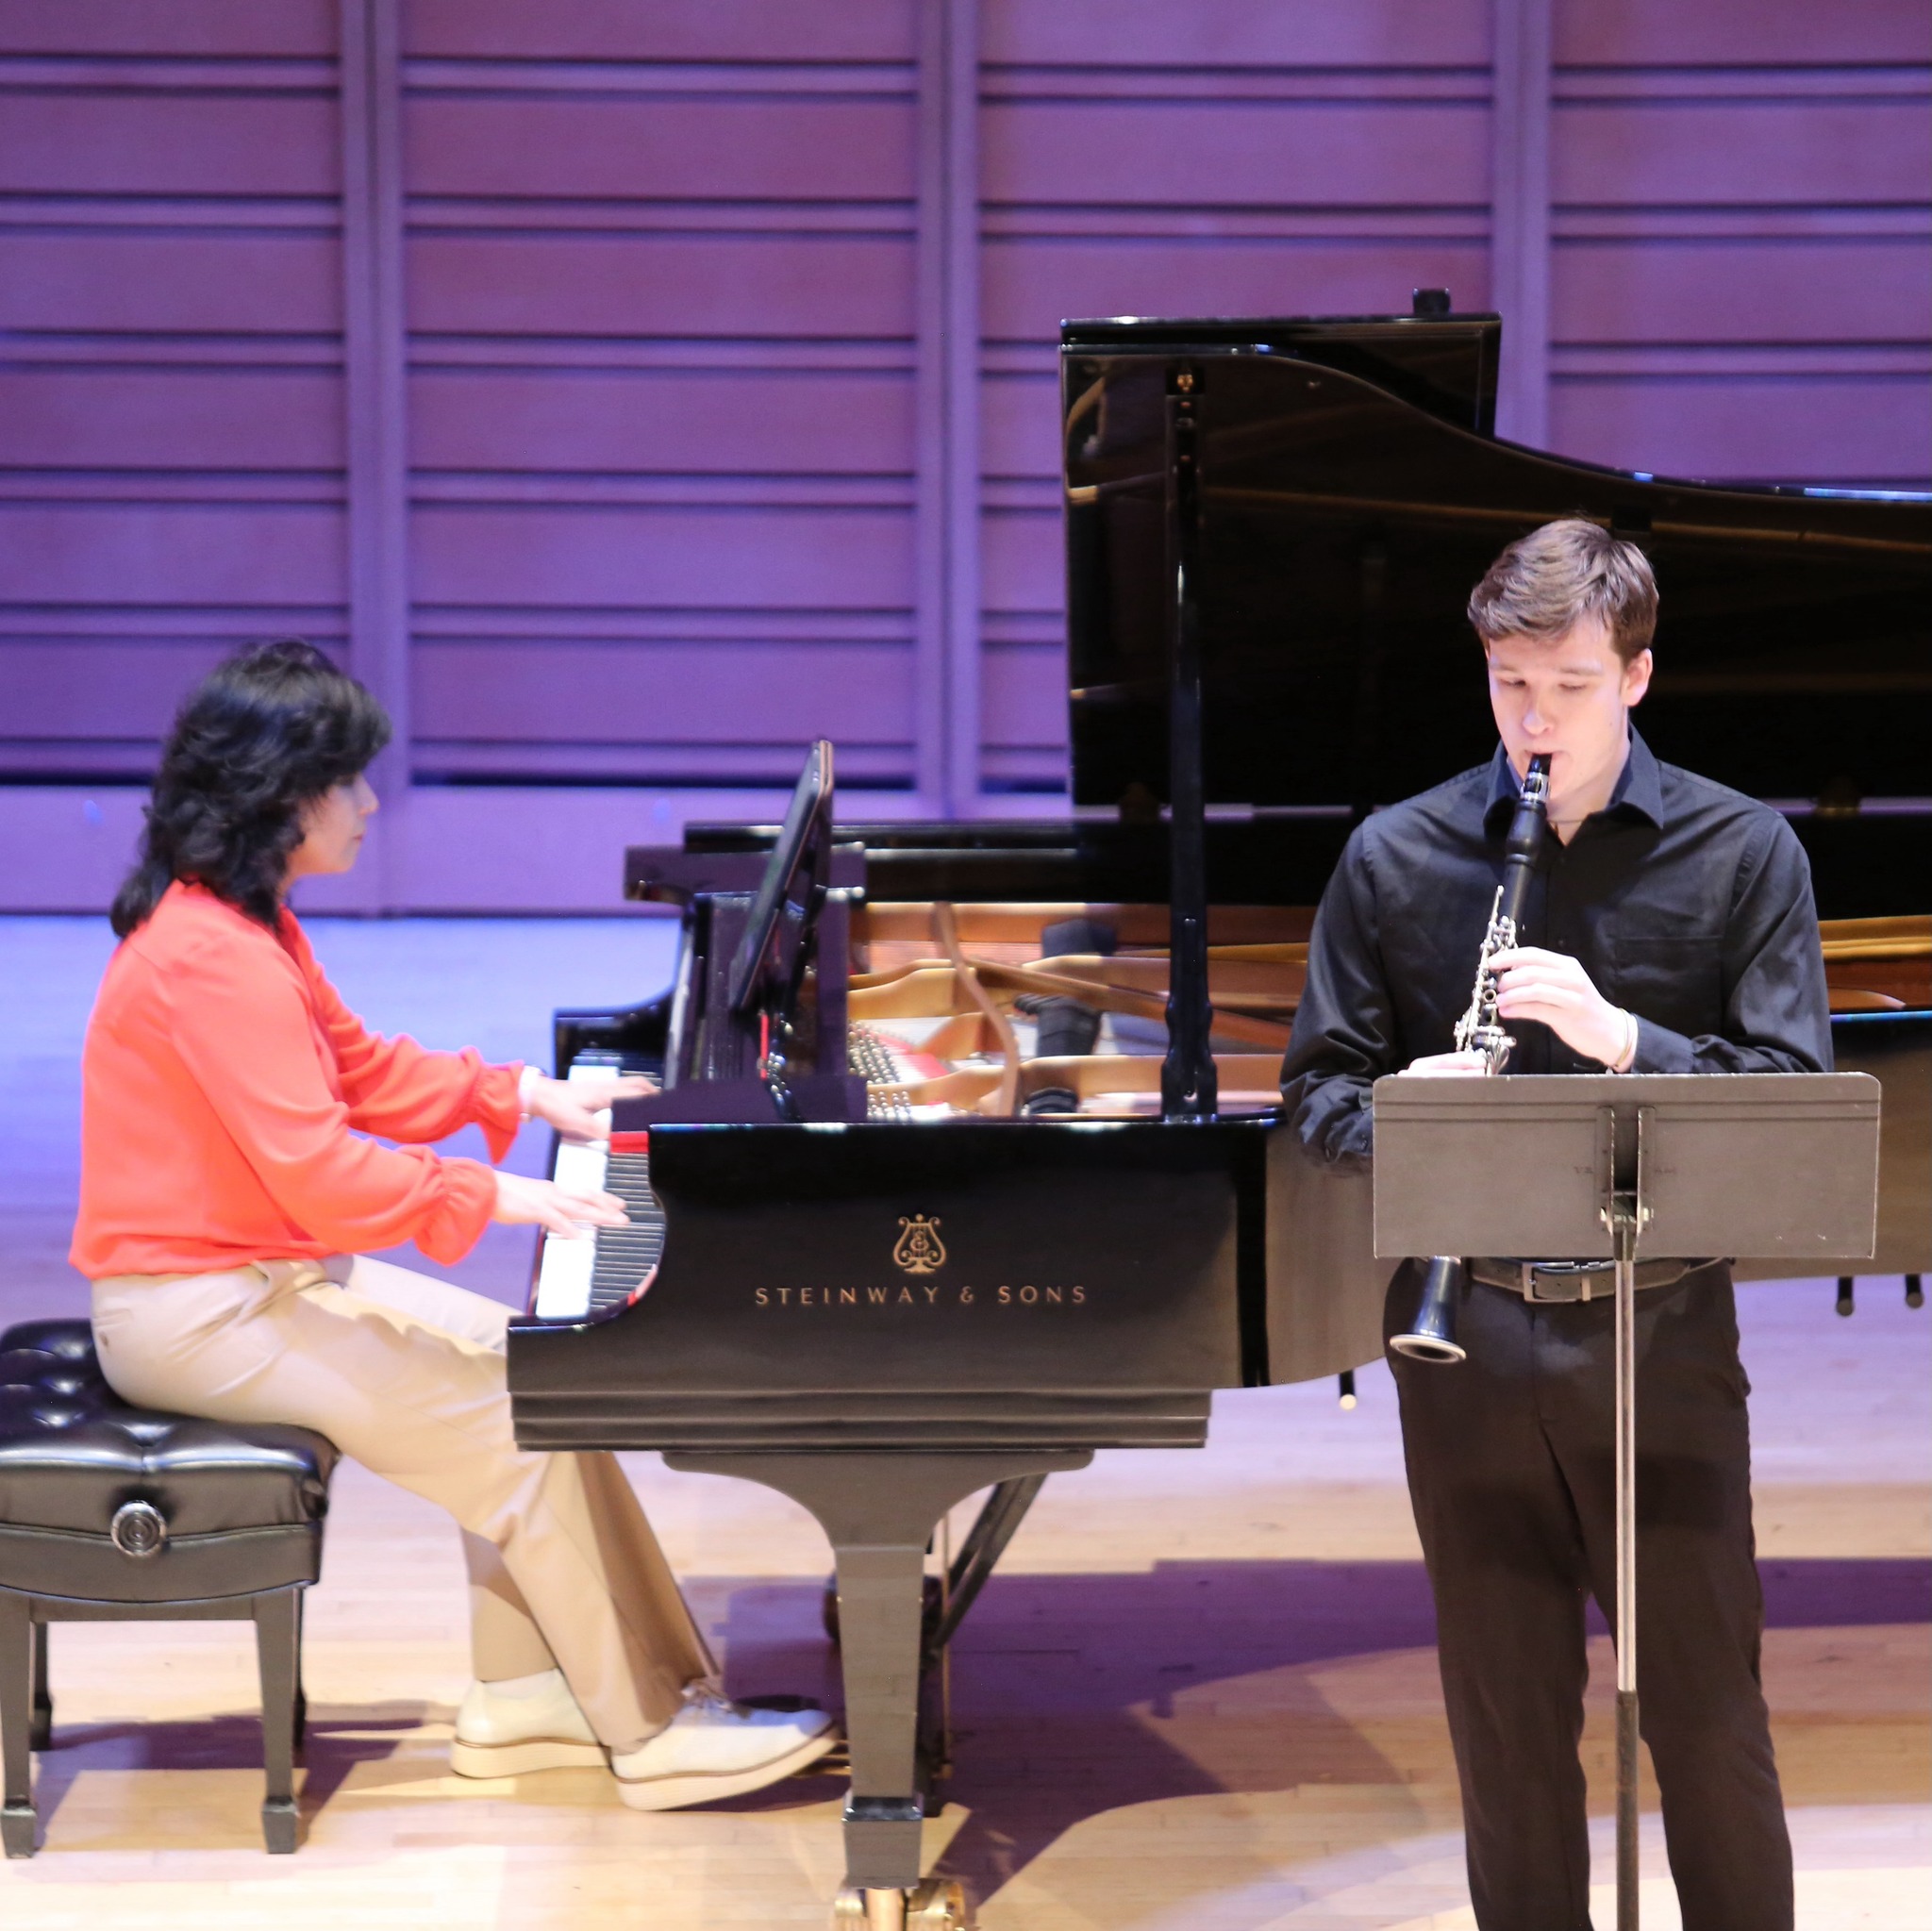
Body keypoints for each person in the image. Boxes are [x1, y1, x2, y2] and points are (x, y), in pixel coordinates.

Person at [72, 639, 836, 1811]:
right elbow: (322, 1170)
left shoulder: (244, 923)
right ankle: (650, 1731)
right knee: (514, 1427)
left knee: (536, 1374)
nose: (372, 805)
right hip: (198, 1313)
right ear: (283, 796)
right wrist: (499, 1194)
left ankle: (526, 1695)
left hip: (252, 1280)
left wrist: (524, 1095)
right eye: (351, 782)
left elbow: (359, 1067)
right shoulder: (208, 958)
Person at [1280, 521, 1828, 1931]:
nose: (1536, 718)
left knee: (1706, 1718)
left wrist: (1620, 1034)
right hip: (1467, 1345)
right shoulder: (1398, 857)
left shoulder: (1740, 849)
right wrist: (1409, 1101)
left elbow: (1788, 1094)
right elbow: (1316, 1093)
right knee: (1510, 1736)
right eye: (1510, 682)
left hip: (1660, 1333)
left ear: (1637, 675)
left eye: (1571, 685)